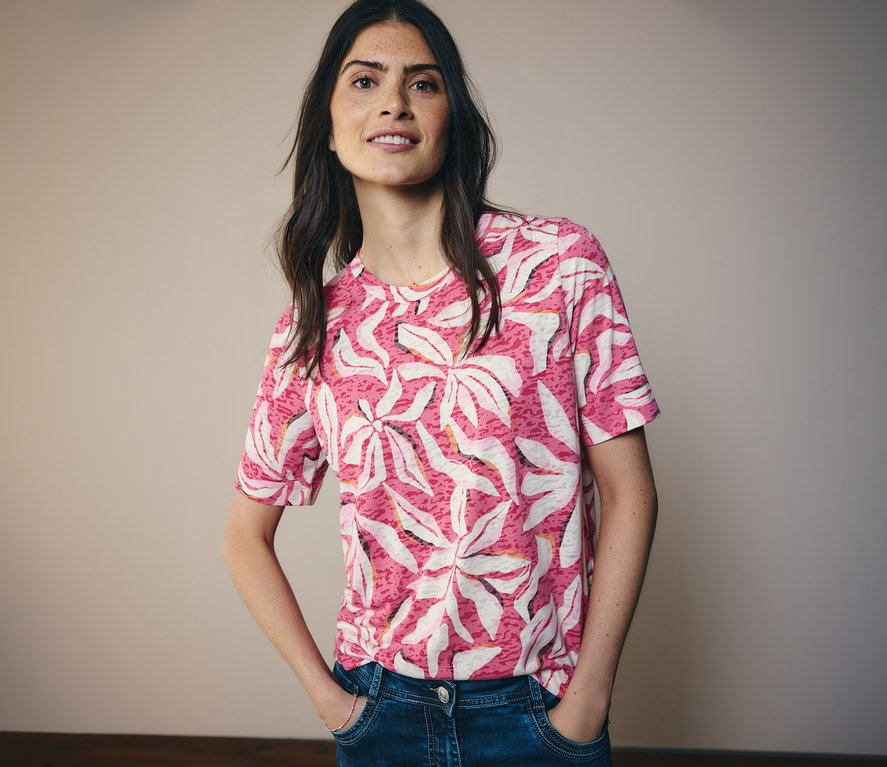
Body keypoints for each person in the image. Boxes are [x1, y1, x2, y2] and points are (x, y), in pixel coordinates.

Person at [222, 1, 659, 764]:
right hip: (382, 710)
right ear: (329, 127)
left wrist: (587, 698)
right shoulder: (313, 329)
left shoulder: (559, 267)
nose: (394, 101)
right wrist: (334, 702)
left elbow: (631, 492)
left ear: (452, 118)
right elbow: (243, 535)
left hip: (539, 709)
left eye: (422, 83)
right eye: (365, 81)